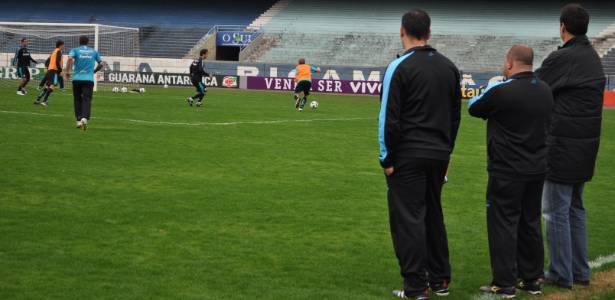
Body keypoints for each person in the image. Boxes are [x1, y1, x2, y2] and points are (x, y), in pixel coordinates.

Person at [379, 9, 461, 300]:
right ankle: (440, 280)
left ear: (402, 31)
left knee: (408, 219)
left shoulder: (398, 66)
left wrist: (386, 159)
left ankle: (415, 286)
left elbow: (389, 117)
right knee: (433, 215)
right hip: (439, 154)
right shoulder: (449, 67)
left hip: (408, 156)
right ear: (428, 32)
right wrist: (447, 153)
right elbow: (455, 118)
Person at [469, 45, 554, 298]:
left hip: (507, 170)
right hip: (537, 168)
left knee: (503, 223)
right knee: (530, 222)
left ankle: (504, 282)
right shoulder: (545, 90)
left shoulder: (501, 90)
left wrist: (496, 84)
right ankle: (531, 279)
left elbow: (474, 107)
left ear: (509, 62)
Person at [535, 3, 606, 289]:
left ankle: (561, 272)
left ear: (562, 26)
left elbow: (535, 86)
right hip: (586, 147)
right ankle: (580, 270)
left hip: (562, 146)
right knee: (574, 208)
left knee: (555, 211)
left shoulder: (563, 58)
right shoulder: (592, 56)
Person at [64, 36, 103, 131]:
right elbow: (101, 64)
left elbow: (69, 59)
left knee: (77, 99)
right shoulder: (94, 51)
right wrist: (94, 71)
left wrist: (67, 72)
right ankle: (84, 118)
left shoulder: (75, 50)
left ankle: (78, 120)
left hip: (77, 79)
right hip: (88, 79)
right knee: (87, 99)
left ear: (79, 41)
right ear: (88, 42)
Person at [34, 40, 64, 106]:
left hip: (50, 70)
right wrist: (60, 70)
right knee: (53, 85)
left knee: (48, 85)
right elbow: (57, 62)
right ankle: (44, 101)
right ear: (60, 45)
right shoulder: (58, 51)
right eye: (63, 45)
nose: (63, 47)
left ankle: (38, 99)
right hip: (54, 70)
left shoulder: (54, 51)